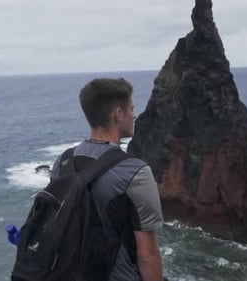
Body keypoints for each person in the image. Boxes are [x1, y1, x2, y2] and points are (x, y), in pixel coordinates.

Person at [50, 78, 164, 281]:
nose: (134, 115)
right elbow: (147, 256)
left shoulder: (63, 162)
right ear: (118, 115)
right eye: (131, 109)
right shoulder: (135, 172)